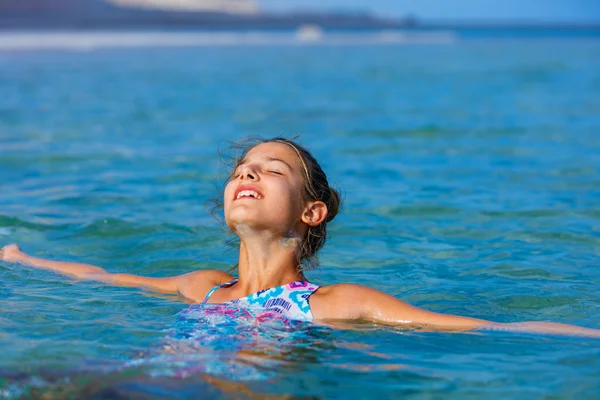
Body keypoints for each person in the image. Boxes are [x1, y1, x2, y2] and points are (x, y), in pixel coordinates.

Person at [1, 137, 599, 337]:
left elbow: (489, 329)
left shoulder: (333, 303)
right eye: (242, 169)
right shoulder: (205, 288)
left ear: (311, 213)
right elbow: (105, 278)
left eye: (271, 169)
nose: (247, 173)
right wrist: (21, 257)